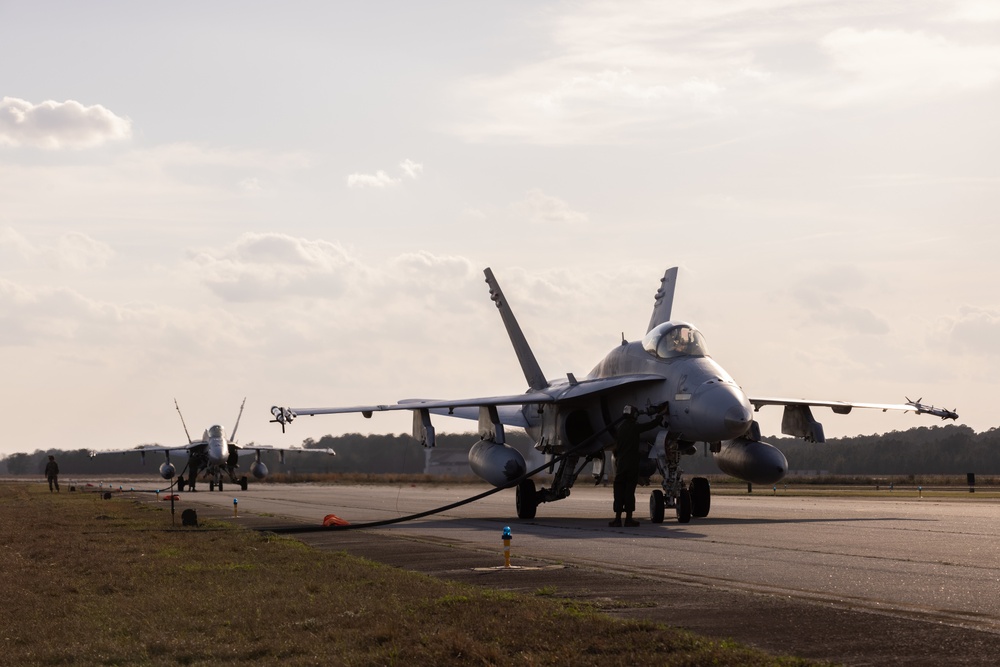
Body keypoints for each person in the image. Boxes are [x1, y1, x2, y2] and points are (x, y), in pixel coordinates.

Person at [610, 405, 662, 527]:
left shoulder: (620, 428)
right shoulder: (634, 427)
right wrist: (659, 418)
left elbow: (616, 448)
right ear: (634, 415)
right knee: (629, 491)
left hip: (621, 464)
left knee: (618, 491)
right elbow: (649, 426)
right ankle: (628, 519)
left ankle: (617, 519)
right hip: (631, 464)